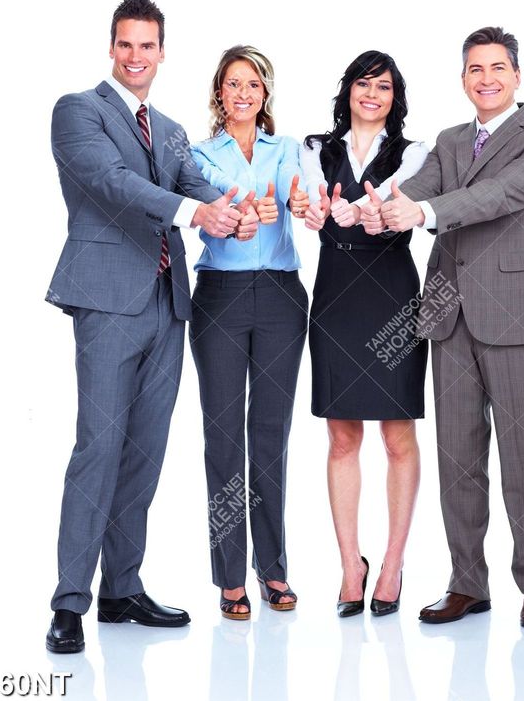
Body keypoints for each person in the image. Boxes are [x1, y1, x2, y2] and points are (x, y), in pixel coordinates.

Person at [44, 0, 247, 654]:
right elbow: (111, 183)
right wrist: (196, 214)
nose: (136, 56)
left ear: (162, 53)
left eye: (147, 46)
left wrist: (240, 209)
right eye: (126, 44)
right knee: (98, 449)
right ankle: (69, 602)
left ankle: (121, 588)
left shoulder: (171, 128)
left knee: (144, 453)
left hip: (167, 302)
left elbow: (198, 184)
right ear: (112, 48)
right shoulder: (79, 111)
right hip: (108, 300)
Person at [369, 27, 524, 628]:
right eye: (475, 69)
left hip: (515, 309)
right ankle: (467, 583)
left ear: (517, 76)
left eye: (497, 68)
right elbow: (414, 190)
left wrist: (422, 212)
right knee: (457, 455)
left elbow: (497, 195)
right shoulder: (451, 141)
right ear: (463, 79)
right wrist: (371, 206)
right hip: (446, 310)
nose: (486, 78)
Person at [301, 50, 429, 617]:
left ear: (395, 98)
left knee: (397, 437)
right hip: (336, 294)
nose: (372, 94)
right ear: (348, 89)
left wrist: (367, 212)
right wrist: (314, 210)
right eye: (363, 83)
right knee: (342, 438)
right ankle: (351, 565)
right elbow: (313, 200)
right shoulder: (315, 149)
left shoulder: (416, 152)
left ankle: (393, 564)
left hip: (392, 294)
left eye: (384, 86)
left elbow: (400, 199)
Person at [189, 45, 310, 620]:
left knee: (270, 433)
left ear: (265, 95)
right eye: (234, 83)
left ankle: (273, 567)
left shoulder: (286, 149)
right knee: (222, 435)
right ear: (220, 92)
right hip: (220, 297)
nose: (243, 93)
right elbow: (211, 199)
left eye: (253, 84)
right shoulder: (197, 153)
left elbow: (290, 187)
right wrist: (237, 215)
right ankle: (230, 575)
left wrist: (292, 199)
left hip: (282, 297)